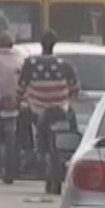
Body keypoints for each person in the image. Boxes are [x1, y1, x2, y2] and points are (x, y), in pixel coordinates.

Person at [18, 30, 77, 169]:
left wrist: (18, 101)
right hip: (60, 109)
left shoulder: (30, 63)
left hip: (36, 110)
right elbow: (75, 88)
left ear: (41, 44)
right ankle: (72, 149)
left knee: (21, 120)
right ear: (55, 44)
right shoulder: (65, 65)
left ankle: (27, 150)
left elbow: (20, 88)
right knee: (72, 121)